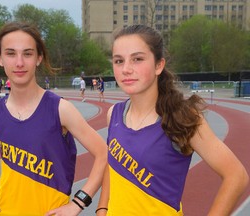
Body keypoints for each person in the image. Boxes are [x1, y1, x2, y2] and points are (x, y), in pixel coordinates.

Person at [96, 25, 249, 215]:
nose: (126, 69)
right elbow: (113, 167)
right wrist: (102, 208)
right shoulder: (114, 114)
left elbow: (237, 176)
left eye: (137, 59)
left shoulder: (182, 117)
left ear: (159, 65)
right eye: (119, 61)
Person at [0, 21, 107, 216]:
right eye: (10, 53)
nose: (19, 62)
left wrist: (79, 202)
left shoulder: (60, 109)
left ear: (38, 58)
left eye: (27, 53)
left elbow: (103, 153)